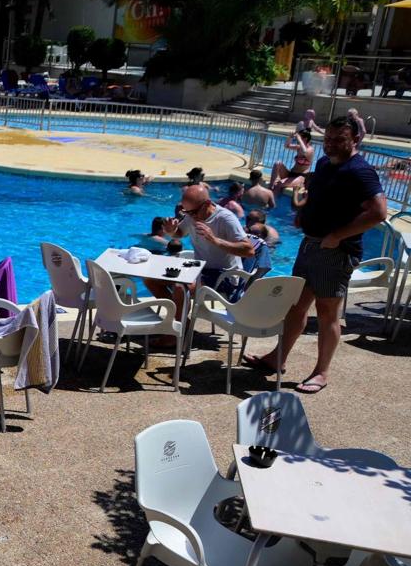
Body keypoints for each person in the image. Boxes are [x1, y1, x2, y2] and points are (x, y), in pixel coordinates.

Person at [244, 116, 386, 395]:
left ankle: (321, 372)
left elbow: (378, 212)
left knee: (326, 313)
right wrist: (303, 215)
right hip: (310, 244)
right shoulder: (323, 164)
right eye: (328, 139)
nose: (331, 145)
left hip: (336, 251)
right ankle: (277, 358)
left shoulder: (360, 171)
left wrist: (338, 236)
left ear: (355, 140)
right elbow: (316, 195)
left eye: (339, 140)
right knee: (296, 305)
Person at [145, 185, 253, 326]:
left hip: (224, 275)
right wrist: (171, 231)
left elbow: (249, 250)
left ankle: (176, 334)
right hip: (200, 271)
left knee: (181, 288)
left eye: (193, 212)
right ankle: (183, 322)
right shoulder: (192, 215)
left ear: (207, 204)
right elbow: (180, 233)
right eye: (186, 212)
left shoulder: (225, 219)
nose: (190, 216)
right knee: (150, 279)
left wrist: (214, 240)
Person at [270, 129, 313, 195]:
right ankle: (270, 187)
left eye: (300, 138)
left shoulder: (310, 149)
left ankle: (271, 203)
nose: (297, 140)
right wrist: (290, 137)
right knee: (277, 163)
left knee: (279, 184)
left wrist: (299, 139)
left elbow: (305, 152)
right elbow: (286, 146)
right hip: (290, 174)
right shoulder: (299, 147)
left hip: (300, 177)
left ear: (305, 139)